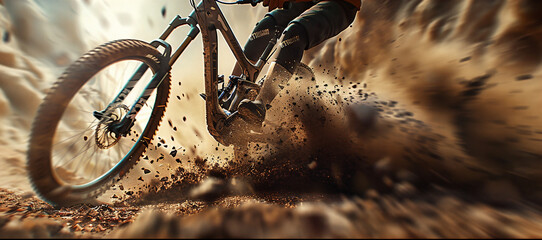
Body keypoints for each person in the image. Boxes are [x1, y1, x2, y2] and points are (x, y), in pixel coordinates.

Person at [234, 0, 361, 127]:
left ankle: (261, 104)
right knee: (267, 24)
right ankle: (231, 94)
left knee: (295, 31)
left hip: (340, 4)